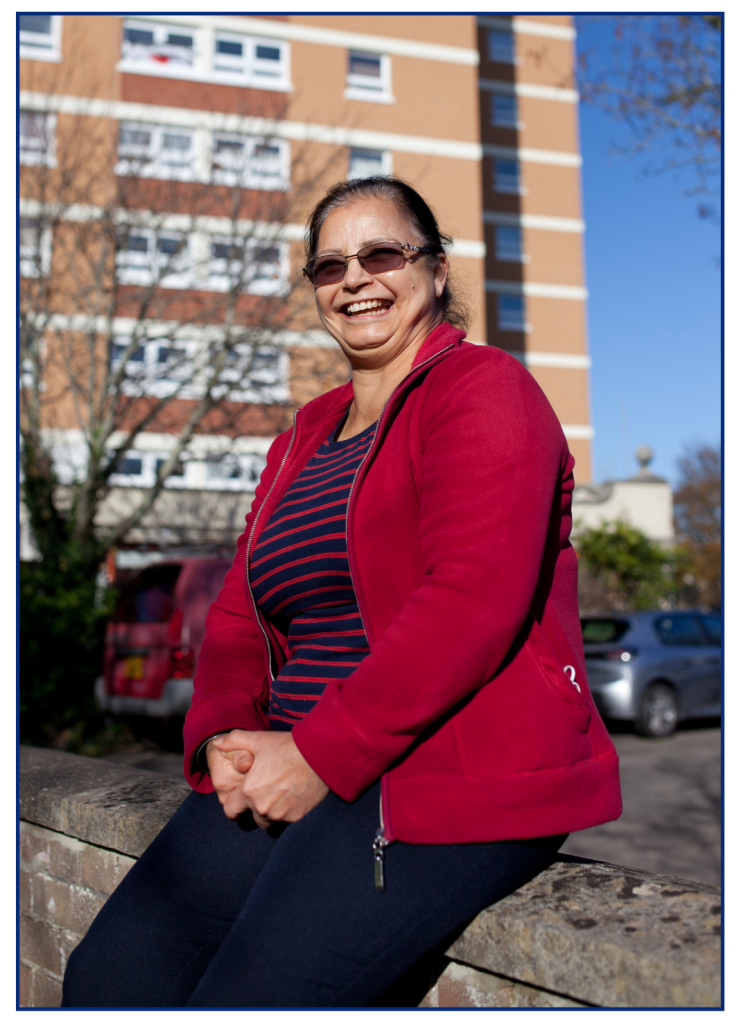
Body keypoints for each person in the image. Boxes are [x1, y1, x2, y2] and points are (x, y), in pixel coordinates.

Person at [62, 176, 621, 1008]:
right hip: (288, 753)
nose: (354, 278)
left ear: (433, 272)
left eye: (382, 253)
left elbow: (471, 597)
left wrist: (321, 753)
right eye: (329, 265)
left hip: (442, 767)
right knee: (108, 979)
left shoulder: (485, 390)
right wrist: (223, 732)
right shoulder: (303, 435)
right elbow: (236, 612)